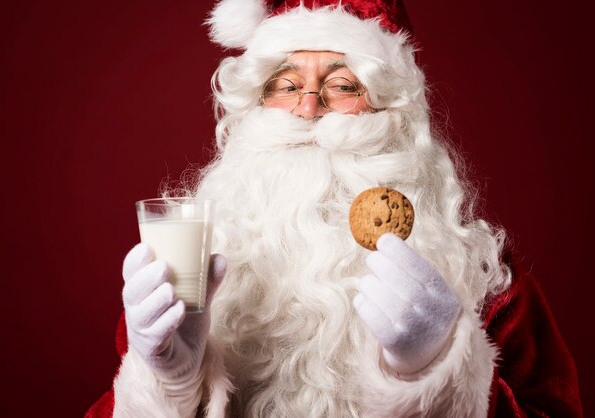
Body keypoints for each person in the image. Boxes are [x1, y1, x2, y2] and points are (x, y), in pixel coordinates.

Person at [87, 0, 582, 416]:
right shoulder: (184, 276)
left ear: (392, 111)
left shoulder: (483, 276)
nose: (308, 109)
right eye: (285, 85)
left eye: (343, 85)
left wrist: (437, 372)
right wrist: (168, 383)